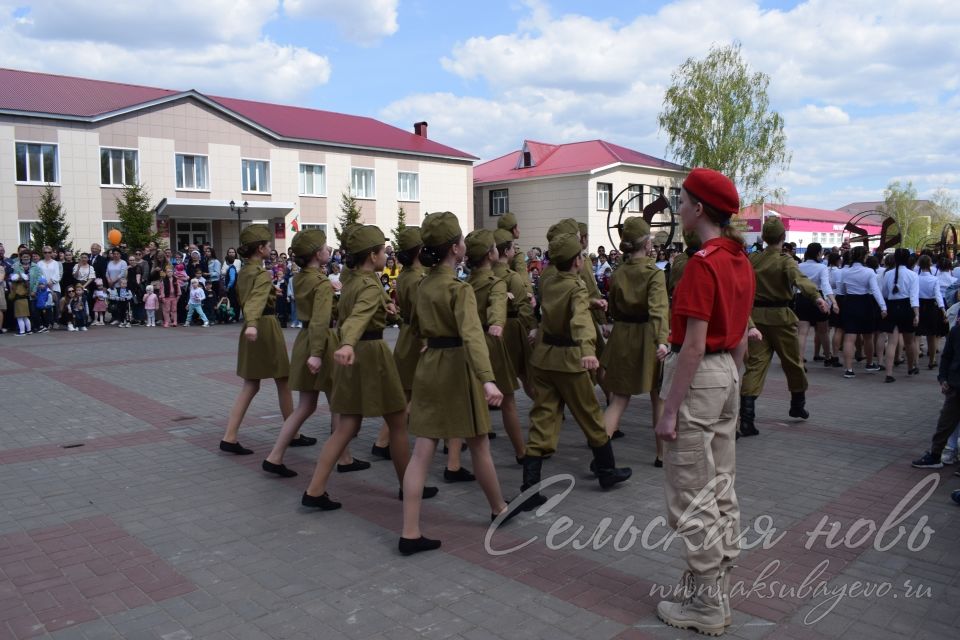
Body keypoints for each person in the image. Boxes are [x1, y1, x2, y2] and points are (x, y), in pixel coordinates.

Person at [653, 168, 755, 635]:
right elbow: (741, 335)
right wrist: (733, 380)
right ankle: (711, 581)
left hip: (699, 374)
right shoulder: (739, 258)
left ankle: (708, 604)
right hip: (727, 374)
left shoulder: (703, 262)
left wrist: (669, 409)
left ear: (698, 208)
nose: (679, 206)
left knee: (692, 493)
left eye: (682, 199)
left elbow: (692, 346)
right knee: (720, 485)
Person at [399, 212, 513, 555]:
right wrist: (488, 380)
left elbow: (415, 325)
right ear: (454, 248)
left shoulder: (423, 284)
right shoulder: (458, 289)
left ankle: (410, 531)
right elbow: (473, 337)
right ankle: (499, 508)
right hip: (457, 367)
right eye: (462, 239)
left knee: (421, 451)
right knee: (478, 442)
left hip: (430, 364)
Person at [301, 225, 434, 509]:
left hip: (354, 357)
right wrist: (347, 342)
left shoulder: (353, 279)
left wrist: (385, 305)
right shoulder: (370, 285)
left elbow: (358, 306)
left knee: (346, 427)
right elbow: (358, 317)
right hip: (371, 354)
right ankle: (408, 486)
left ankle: (314, 490)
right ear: (372, 255)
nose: (387, 255)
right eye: (382, 251)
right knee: (398, 422)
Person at [518, 231, 632, 512]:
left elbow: (559, 307)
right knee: (591, 416)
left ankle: (530, 488)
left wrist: (590, 303)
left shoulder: (549, 280)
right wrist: (588, 351)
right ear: (577, 261)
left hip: (545, 359)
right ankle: (606, 472)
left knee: (543, 418)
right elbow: (580, 320)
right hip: (570, 360)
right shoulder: (577, 286)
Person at [262, 229, 368, 478]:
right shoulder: (320, 282)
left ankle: (275, 455)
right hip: (321, 343)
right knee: (337, 403)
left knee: (306, 406)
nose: (328, 250)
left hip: (305, 340)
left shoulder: (301, 278)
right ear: (315, 254)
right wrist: (319, 353)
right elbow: (321, 320)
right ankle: (343, 458)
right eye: (324, 247)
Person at [738, 217, 828, 437]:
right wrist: (817, 298)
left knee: (756, 366)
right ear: (782, 237)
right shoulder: (785, 260)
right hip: (781, 317)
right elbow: (801, 280)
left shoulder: (753, 259)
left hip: (756, 319)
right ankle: (797, 404)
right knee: (793, 362)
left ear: (764, 237)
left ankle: (747, 419)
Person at [220, 225, 296, 455]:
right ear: (260, 248)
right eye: (269, 246)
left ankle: (229, 436)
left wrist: (271, 293)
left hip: (251, 327)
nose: (271, 249)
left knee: (251, 384)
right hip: (264, 327)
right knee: (283, 379)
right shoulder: (262, 273)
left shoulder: (245, 270)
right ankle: (292, 433)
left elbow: (251, 296)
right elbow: (254, 302)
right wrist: (253, 324)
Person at [600, 216, 670, 466]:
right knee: (658, 398)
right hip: (648, 337)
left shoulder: (618, 272)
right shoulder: (654, 274)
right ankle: (662, 455)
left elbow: (615, 307)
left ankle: (601, 456)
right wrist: (663, 340)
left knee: (618, 400)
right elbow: (659, 310)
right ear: (647, 242)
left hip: (622, 335)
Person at [463, 229, 526, 466]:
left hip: (469, 343)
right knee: (508, 402)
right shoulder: (496, 283)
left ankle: (454, 459)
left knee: (472, 398)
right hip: (489, 342)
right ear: (491, 254)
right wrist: (498, 323)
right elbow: (497, 305)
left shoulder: (466, 283)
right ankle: (521, 452)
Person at [372, 227, 427, 461]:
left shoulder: (407, 274)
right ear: (419, 250)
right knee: (421, 391)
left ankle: (382, 441)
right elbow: (422, 313)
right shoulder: (417, 278)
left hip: (407, 334)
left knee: (406, 393)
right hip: (418, 336)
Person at [493, 227, 538, 403]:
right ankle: (546, 408)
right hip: (511, 328)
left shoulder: (483, 275)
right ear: (506, 251)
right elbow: (524, 307)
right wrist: (532, 326)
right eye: (513, 248)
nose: (515, 251)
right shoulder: (512, 277)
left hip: (491, 330)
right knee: (526, 374)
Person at [912, 318, 960, 469]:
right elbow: (946, 357)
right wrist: (943, 378)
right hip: (955, 384)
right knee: (945, 422)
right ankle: (935, 454)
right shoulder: (956, 331)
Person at [838, 246, 887, 378]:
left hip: (849, 302)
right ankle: (870, 363)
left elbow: (841, 290)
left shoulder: (844, 271)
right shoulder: (869, 272)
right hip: (865, 303)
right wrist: (883, 307)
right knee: (868, 336)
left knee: (849, 337)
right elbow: (875, 290)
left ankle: (848, 369)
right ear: (864, 256)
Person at [796, 243, 837, 367]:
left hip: (801, 297)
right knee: (823, 331)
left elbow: (794, 284)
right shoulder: (821, 267)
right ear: (818, 253)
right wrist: (833, 301)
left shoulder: (799, 266)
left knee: (802, 332)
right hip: (818, 298)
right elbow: (825, 285)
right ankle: (828, 357)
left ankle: (799, 361)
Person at [916, 254, 947, 371]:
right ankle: (932, 360)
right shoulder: (934, 279)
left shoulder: (916, 278)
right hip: (931, 307)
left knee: (916, 336)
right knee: (932, 335)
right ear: (930, 264)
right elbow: (938, 296)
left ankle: (915, 362)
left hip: (918, 305)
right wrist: (943, 309)